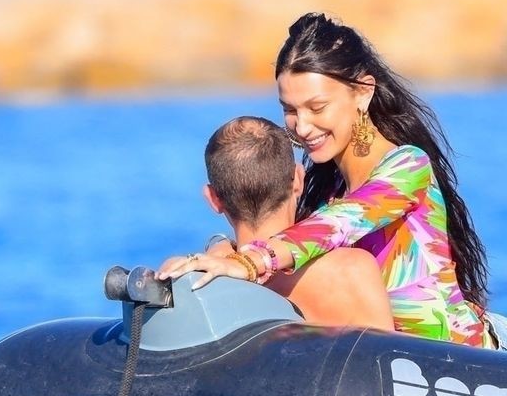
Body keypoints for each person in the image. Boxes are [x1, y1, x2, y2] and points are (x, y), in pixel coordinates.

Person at [165, 13, 507, 353]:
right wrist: (221, 250)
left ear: (363, 92)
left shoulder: (406, 167)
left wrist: (249, 261)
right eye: (289, 110)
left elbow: (342, 223)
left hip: (483, 360)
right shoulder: (326, 191)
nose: (302, 127)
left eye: (317, 107)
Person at [161, 115, 393, 331]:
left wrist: (221, 247)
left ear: (213, 199)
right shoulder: (351, 270)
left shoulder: (186, 280)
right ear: (298, 180)